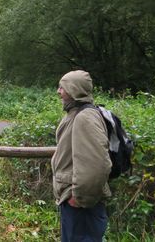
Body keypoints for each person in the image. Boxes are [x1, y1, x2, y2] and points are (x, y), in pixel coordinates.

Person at [52, 70, 111, 241]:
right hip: (73, 199)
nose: (59, 91)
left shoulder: (85, 117)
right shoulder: (76, 114)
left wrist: (80, 199)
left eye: (62, 87)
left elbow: (97, 164)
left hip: (81, 204)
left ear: (73, 89)